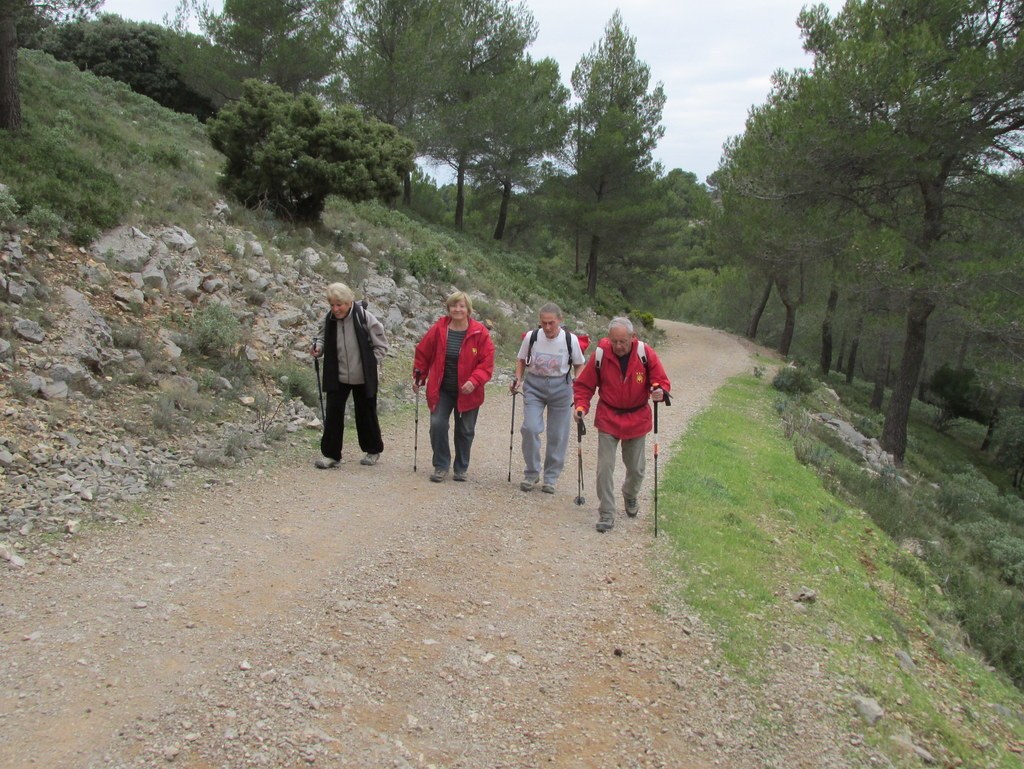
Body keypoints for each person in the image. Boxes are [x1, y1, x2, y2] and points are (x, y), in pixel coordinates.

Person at [573, 317, 671, 532]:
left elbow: (661, 382)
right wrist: (581, 406)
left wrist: (659, 392)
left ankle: (630, 494)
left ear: (632, 338)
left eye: (623, 342)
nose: (618, 346)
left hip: (637, 418)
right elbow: (584, 386)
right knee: (605, 469)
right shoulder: (600, 354)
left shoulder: (645, 354)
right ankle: (607, 512)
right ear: (609, 339)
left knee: (636, 469)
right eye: (614, 341)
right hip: (608, 416)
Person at [413, 291, 495, 482]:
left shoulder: (480, 332)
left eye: (462, 306)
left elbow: (486, 363)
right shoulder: (439, 329)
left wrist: (474, 381)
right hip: (442, 388)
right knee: (437, 424)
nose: (458, 309)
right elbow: (423, 353)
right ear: (448, 308)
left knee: (465, 430)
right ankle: (441, 465)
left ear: (468, 310)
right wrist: (419, 376)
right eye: (454, 306)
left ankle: (461, 468)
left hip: (469, 391)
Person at [510, 303, 586, 494]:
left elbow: (579, 364)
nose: (547, 327)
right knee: (530, 428)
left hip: (561, 387)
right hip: (534, 385)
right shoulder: (532, 337)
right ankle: (532, 472)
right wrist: (518, 379)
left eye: (551, 323)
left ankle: (550, 478)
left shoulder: (570, 340)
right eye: (543, 323)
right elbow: (521, 360)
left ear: (560, 320)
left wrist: (578, 385)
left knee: (557, 435)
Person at [310, 282, 389, 469]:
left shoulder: (364, 317)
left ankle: (372, 450)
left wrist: (369, 363)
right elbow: (321, 337)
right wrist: (318, 348)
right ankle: (331, 455)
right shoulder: (329, 318)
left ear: (349, 301)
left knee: (366, 413)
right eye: (332, 305)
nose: (336, 309)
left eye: (339, 304)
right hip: (337, 374)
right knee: (333, 413)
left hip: (363, 375)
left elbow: (382, 345)